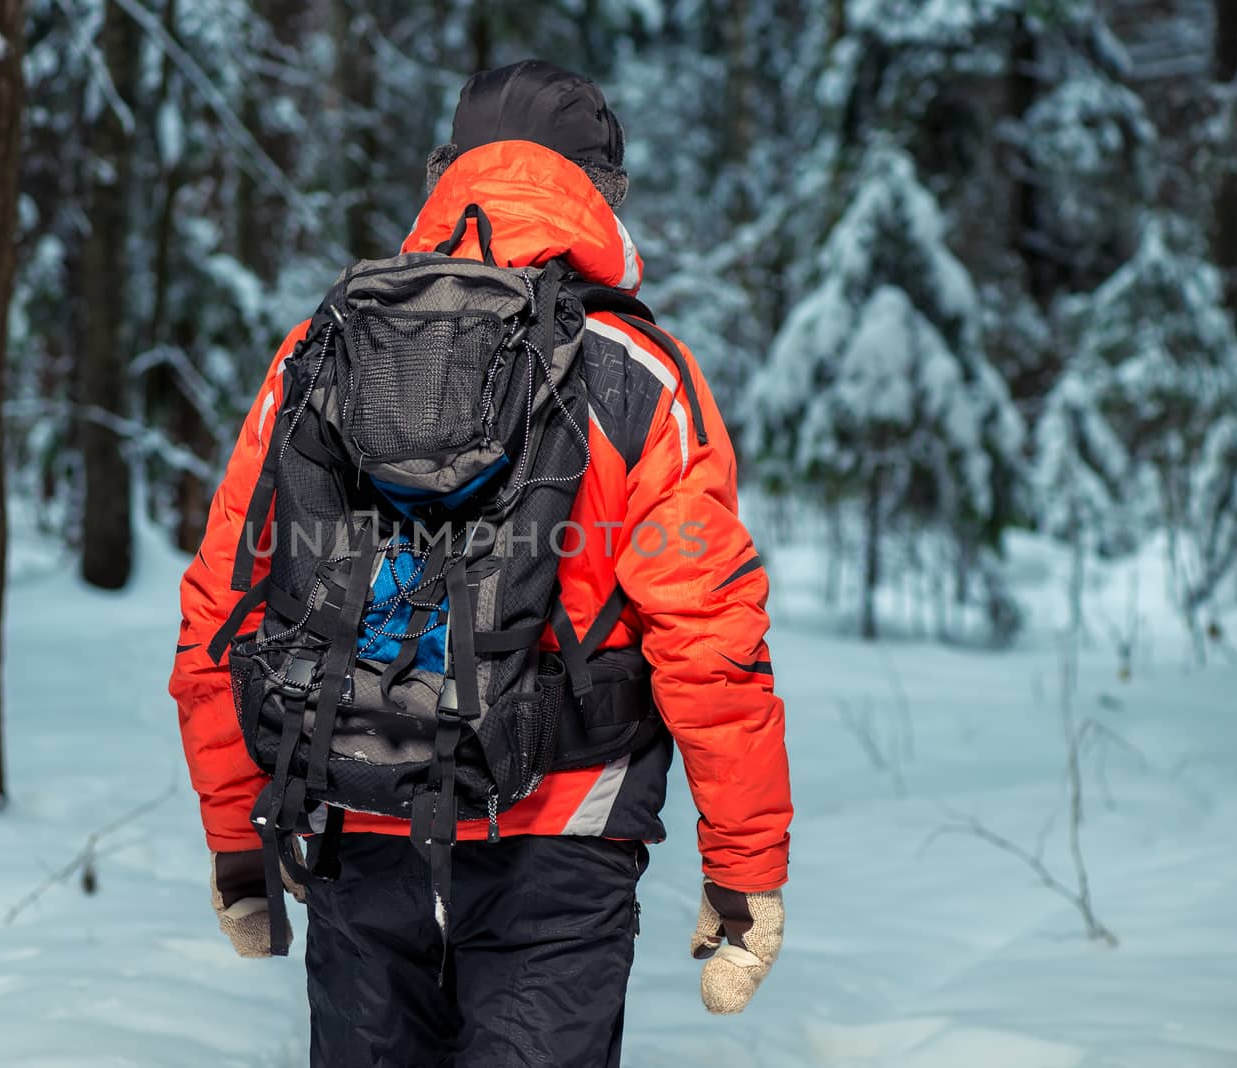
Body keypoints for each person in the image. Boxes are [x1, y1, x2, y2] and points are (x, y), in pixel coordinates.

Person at [170, 59, 791, 1068]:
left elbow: (225, 600)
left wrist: (237, 831)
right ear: (602, 195)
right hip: (564, 834)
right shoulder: (639, 375)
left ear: (446, 174)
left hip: (354, 807)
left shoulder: (317, 353)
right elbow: (710, 633)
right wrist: (744, 865)